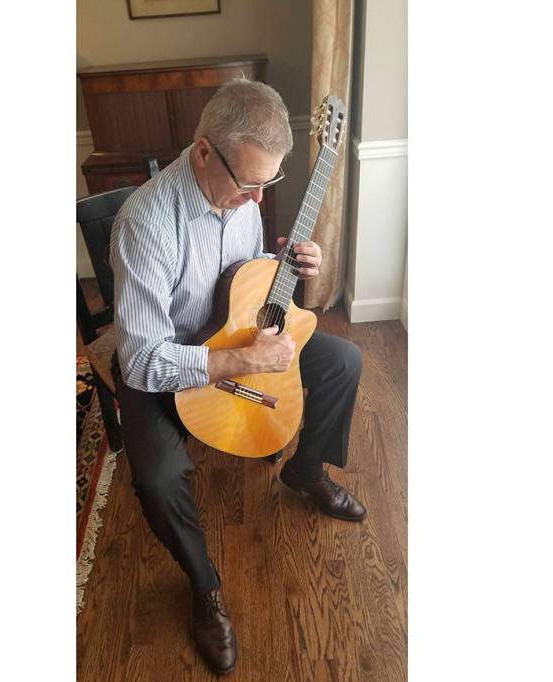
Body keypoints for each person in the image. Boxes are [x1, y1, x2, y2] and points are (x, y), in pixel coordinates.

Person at [109, 78, 365, 676]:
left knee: (344, 362)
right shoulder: (146, 222)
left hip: (234, 336)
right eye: (248, 183)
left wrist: (284, 267)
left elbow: (239, 282)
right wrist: (239, 362)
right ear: (203, 152)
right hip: (167, 363)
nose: (256, 199)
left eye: (267, 184)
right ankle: (204, 585)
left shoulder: (240, 199)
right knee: (160, 476)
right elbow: (143, 361)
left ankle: (305, 470)